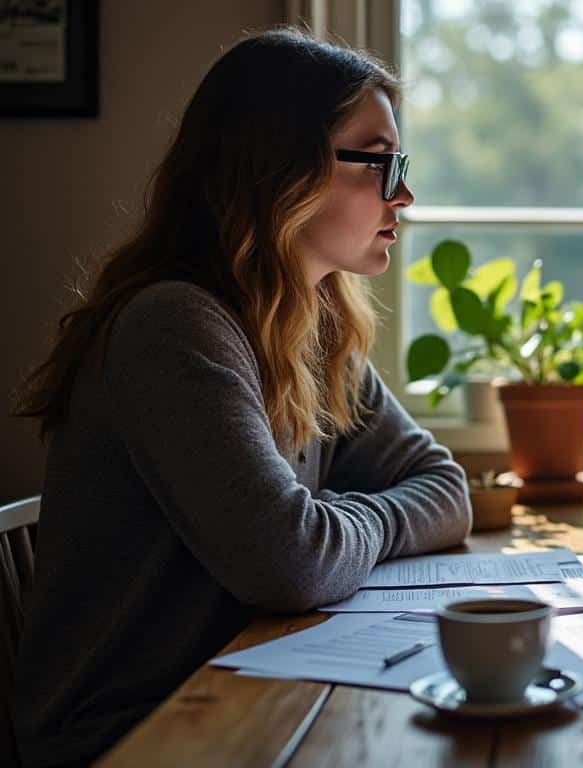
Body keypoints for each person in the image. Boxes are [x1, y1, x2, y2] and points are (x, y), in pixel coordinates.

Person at [10, 28, 472, 765]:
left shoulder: (315, 327)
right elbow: (290, 564)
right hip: (123, 733)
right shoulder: (174, 325)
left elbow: (447, 489)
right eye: (380, 162)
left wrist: (338, 525)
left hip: (241, 689)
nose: (404, 193)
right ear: (279, 171)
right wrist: (353, 527)